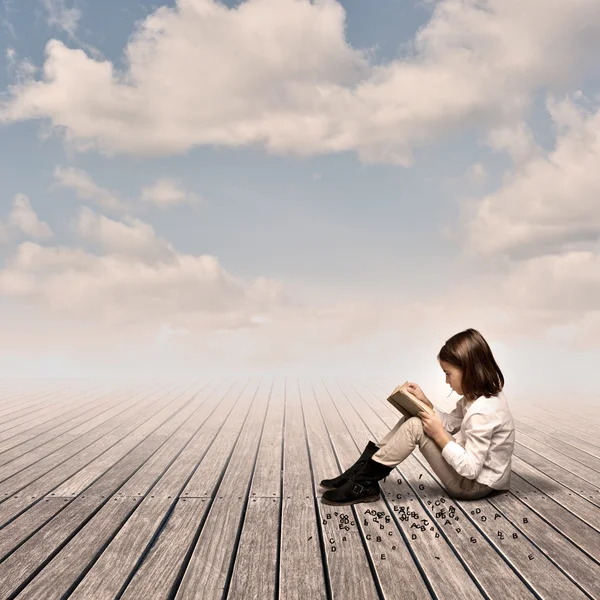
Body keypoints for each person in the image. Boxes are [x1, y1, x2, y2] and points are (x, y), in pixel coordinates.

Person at [320, 328, 515, 506]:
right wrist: (425, 403)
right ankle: (359, 475)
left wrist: (439, 435)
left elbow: (470, 469)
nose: (446, 381)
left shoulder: (483, 411)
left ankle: (362, 483)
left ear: (469, 370)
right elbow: (451, 423)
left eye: (448, 373)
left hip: (474, 486)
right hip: (474, 478)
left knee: (415, 425)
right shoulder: (477, 397)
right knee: (415, 417)